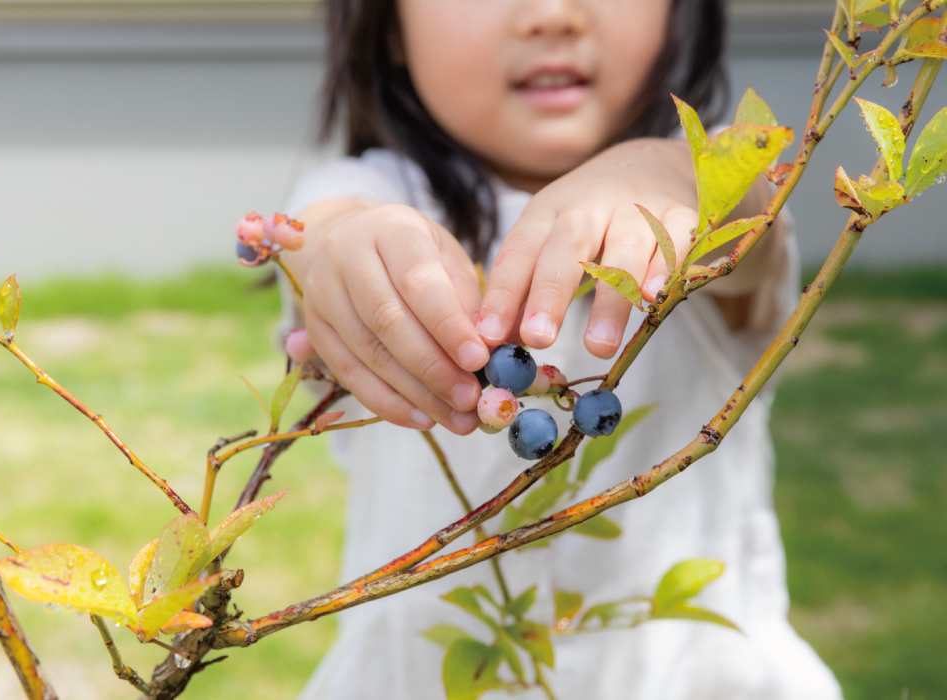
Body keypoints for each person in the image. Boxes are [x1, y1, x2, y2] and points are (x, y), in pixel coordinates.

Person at [277, 0, 843, 698]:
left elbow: (751, 215)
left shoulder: (701, 186)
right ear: (388, 27)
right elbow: (320, 237)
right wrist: (347, 258)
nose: (551, 14)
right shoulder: (372, 193)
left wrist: (667, 176)